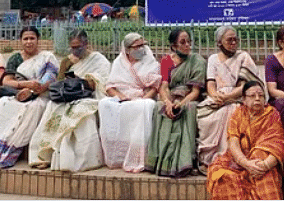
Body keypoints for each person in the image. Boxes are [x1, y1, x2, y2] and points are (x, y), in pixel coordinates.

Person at [0, 27, 58, 168]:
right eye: (25, 39)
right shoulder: (16, 58)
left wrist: (31, 91)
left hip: (40, 96)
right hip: (18, 94)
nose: (29, 42)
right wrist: (23, 85)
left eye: (32, 38)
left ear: (38, 40)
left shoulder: (48, 57)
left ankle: (7, 152)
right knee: (3, 103)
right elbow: (6, 81)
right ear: (21, 41)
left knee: (33, 108)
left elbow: (49, 78)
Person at [28, 29, 111, 171]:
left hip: (88, 97)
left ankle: (76, 159)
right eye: (72, 47)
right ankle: (44, 155)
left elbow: (102, 82)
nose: (75, 50)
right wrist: (65, 65)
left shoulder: (98, 59)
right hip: (68, 96)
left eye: (78, 47)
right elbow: (60, 81)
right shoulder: (69, 60)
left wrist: (85, 80)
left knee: (80, 111)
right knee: (52, 107)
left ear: (86, 44)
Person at [206, 81, 284, 200]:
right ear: (244, 99)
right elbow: (233, 141)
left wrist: (264, 165)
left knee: (262, 160)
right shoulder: (238, 114)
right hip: (241, 160)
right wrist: (245, 163)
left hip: (263, 163)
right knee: (221, 175)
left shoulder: (272, 114)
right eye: (252, 96)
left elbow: (279, 145)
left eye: (261, 95)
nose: (257, 99)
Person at [197, 25, 264, 169]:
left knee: (230, 113)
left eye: (235, 40)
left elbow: (244, 87)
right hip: (218, 98)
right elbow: (210, 84)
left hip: (237, 97)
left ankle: (230, 158)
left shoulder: (243, 57)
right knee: (205, 118)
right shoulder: (213, 59)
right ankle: (210, 159)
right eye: (229, 40)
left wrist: (227, 97)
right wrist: (215, 96)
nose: (234, 43)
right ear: (219, 42)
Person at [146, 29, 206, 177]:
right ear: (173, 46)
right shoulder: (166, 61)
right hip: (171, 97)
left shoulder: (197, 61)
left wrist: (181, 103)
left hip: (188, 98)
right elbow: (164, 86)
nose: (187, 45)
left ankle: (187, 160)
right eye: (182, 42)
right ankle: (163, 160)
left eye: (189, 42)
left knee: (188, 109)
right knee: (158, 108)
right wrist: (167, 102)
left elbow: (195, 92)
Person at [98, 32, 161, 172]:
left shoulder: (150, 61)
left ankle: (139, 157)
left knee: (145, 106)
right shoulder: (118, 63)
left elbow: (155, 87)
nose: (141, 49)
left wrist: (145, 98)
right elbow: (110, 87)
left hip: (142, 97)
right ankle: (116, 157)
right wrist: (120, 96)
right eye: (137, 46)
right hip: (123, 97)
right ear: (127, 50)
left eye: (142, 45)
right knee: (104, 104)